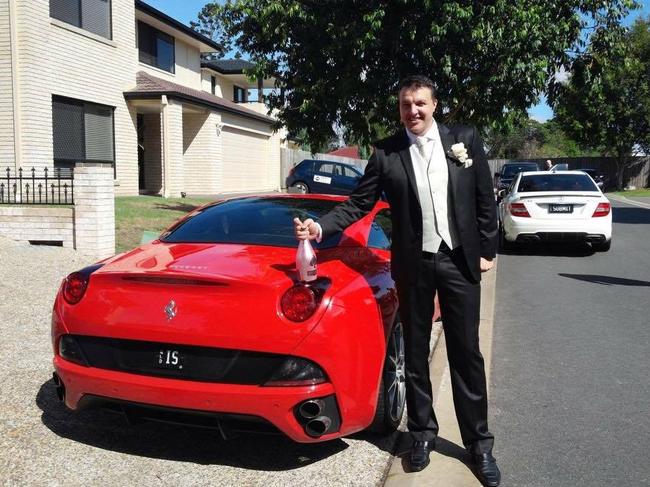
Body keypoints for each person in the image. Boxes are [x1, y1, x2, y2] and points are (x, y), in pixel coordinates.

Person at [293, 75, 500, 487]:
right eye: (406, 105)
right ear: (400, 108)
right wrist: (320, 226)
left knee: (466, 355)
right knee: (417, 352)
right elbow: (359, 202)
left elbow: (483, 198)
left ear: (435, 104)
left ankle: (479, 445)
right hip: (414, 265)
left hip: (460, 261)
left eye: (420, 103)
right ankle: (422, 434)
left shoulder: (465, 139)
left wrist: (487, 249)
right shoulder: (386, 152)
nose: (413, 111)